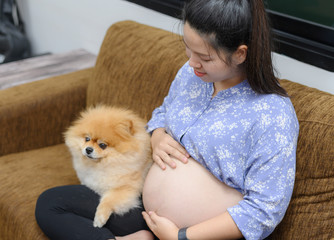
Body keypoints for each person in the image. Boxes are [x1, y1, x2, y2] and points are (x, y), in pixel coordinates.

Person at [35, 0, 299, 239]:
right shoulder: (192, 74)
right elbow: (162, 112)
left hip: (201, 235)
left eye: (204, 57)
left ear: (240, 54)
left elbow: (264, 210)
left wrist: (180, 237)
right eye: (188, 48)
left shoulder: (272, 115)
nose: (192, 62)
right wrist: (158, 135)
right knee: (52, 204)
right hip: (146, 213)